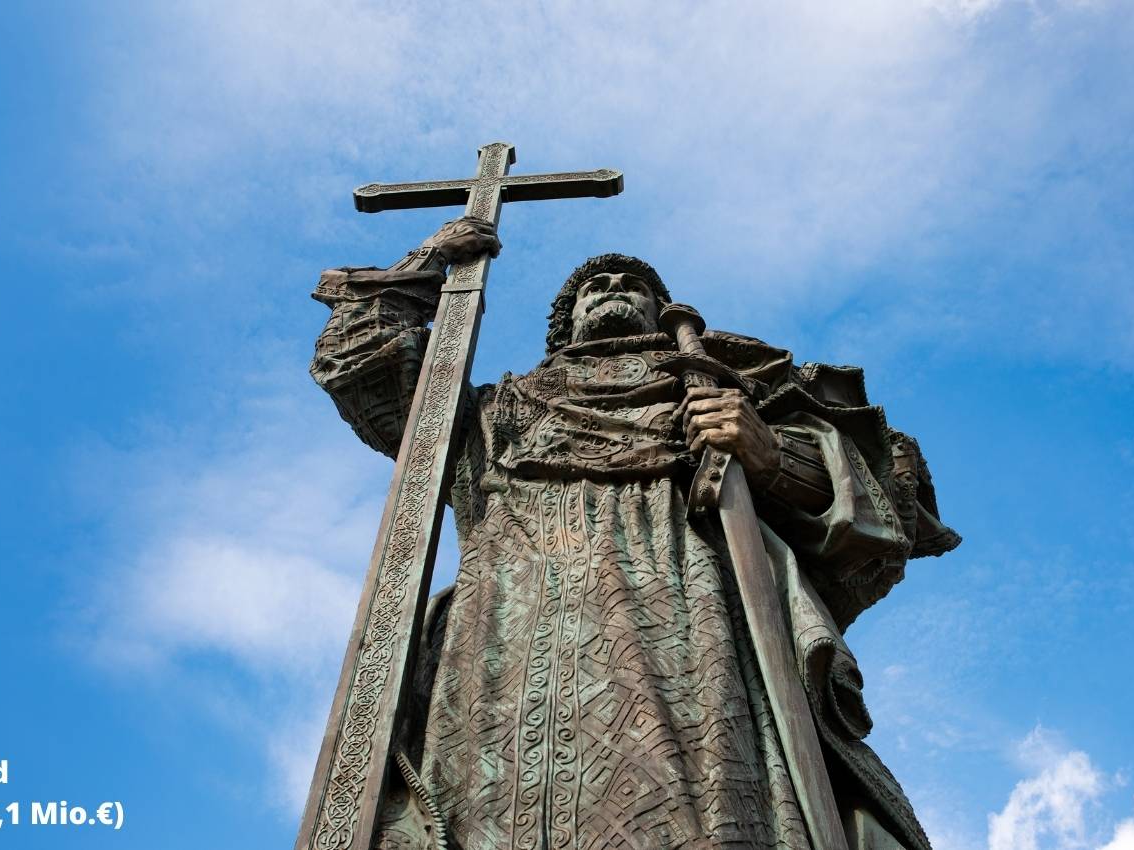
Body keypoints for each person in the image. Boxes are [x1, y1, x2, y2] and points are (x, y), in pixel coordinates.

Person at [309, 217, 959, 850]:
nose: (613, 286)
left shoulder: (710, 389)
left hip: (686, 609)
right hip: (507, 629)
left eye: (632, 283)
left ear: (658, 311)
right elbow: (372, 378)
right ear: (566, 322)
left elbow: (879, 504)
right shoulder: (497, 408)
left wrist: (768, 453)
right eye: (595, 285)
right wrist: (429, 261)